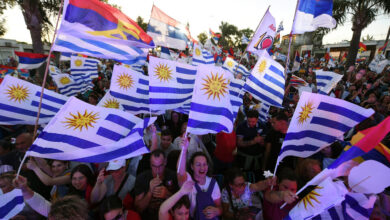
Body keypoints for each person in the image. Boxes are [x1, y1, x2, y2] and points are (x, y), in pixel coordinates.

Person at [177, 138, 222, 219]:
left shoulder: (213, 183)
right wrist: (184, 150)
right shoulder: (188, 181)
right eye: (198, 164)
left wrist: (217, 211)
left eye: (204, 164)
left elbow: (220, 207)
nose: (202, 168)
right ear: (192, 166)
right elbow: (180, 172)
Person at [13, 175, 89, 220]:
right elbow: (40, 204)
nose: (50, 218)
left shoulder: (60, 214)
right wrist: (24, 189)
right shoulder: (57, 212)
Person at [134, 149, 178, 220]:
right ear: (150, 164)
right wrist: (149, 192)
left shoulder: (173, 176)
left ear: (165, 162)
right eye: (154, 166)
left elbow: (180, 207)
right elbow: (138, 209)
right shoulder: (142, 178)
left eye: (160, 166)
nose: (157, 170)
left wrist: (167, 194)